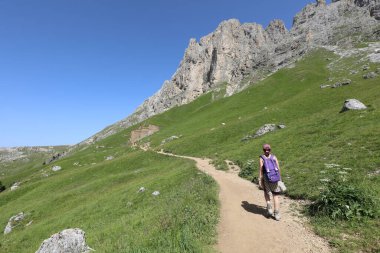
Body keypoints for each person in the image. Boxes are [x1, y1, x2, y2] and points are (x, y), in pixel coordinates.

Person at [259, 143, 282, 221]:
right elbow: (278, 169)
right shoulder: (274, 157)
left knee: (266, 192)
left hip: (266, 178)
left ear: (263, 150)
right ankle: (277, 214)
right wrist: (280, 179)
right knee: (275, 195)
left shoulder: (261, 158)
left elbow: (261, 170)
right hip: (275, 178)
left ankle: (269, 208)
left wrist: (260, 179)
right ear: (270, 150)